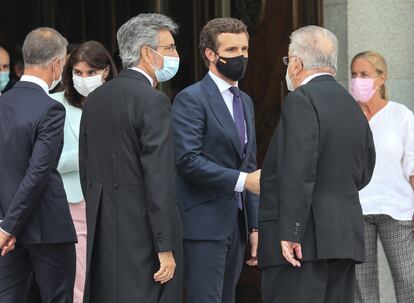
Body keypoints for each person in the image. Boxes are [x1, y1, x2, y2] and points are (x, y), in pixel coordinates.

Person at [258, 25, 376, 303]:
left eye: (288, 60)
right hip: (343, 237)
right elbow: (366, 168)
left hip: (304, 243)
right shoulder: (352, 105)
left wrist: (291, 231)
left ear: (297, 63)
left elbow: (298, 169)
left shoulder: (302, 100)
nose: (288, 67)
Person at [79, 13, 182, 303]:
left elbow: (88, 170)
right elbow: (158, 176)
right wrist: (165, 246)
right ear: (147, 53)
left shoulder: (96, 98)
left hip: (104, 227)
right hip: (144, 234)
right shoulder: (154, 100)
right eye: (169, 48)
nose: (175, 55)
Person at [172, 17, 260, 303]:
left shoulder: (245, 100)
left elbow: (248, 163)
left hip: (237, 223)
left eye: (245, 49)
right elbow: (187, 160)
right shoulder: (191, 99)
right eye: (232, 50)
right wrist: (242, 181)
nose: (241, 57)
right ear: (211, 54)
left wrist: (254, 226)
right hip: (203, 225)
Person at [0, 27, 77, 303]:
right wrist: (9, 227)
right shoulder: (50, 108)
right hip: (46, 228)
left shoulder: (2, 102)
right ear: (57, 64)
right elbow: (38, 173)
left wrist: (6, 225)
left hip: (7, 226)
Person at [50, 40, 117, 303]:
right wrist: (88, 154)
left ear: (106, 72)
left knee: (112, 272)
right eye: (78, 72)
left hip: (114, 200)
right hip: (74, 201)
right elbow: (48, 160)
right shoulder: (55, 104)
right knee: (80, 278)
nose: (84, 78)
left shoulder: (118, 102)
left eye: (91, 72)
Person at [350, 51, 414, 303]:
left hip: (397, 211)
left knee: (408, 280)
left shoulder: (402, 116)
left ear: (381, 78)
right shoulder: (348, 117)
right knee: (362, 289)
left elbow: (412, 165)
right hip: (356, 211)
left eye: (364, 74)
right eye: (354, 74)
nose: (357, 80)